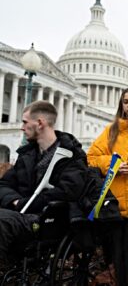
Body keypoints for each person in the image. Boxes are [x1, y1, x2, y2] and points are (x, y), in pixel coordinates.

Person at [0, 101, 87, 260]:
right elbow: (4, 184)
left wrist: (27, 203)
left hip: (48, 222)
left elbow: (67, 192)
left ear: (40, 123)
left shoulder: (73, 156)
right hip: (20, 215)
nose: (21, 127)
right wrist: (15, 201)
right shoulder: (27, 154)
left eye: (25, 122)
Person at [87, 87, 128, 286]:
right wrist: (113, 166)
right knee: (118, 261)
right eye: (126, 102)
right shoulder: (111, 131)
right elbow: (92, 158)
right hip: (116, 209)